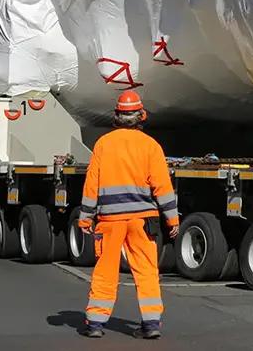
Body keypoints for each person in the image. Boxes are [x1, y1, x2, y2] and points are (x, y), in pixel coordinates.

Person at [78, 91, 179, 339]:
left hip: (110, 220)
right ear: (141, 115)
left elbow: (92, 184)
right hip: (143, 220)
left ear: (116, 116)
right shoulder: (151, 146)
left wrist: (85, 217)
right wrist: (172, 219)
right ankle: (151, 323)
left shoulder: (103, 144)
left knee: (106, 270)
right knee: (146, 270)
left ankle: (96, 324)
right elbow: (162, 186)